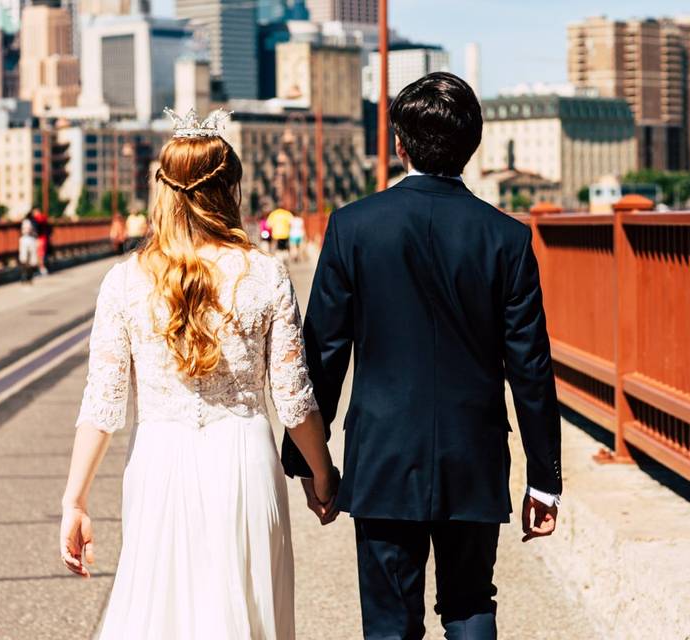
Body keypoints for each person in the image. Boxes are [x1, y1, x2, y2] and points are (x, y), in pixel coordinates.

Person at [281, 72, 563, 639]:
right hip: (474, 456)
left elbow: (323, 353)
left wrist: (310, 464)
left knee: (389, 620)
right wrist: (544, 477)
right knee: (470, 603)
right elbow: (529, 366)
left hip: (383, 453)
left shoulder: (353, 227)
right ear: (472, 144)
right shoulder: (506, 238)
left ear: (398, 143)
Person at [60, 116, 337, 639]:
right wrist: (322, 473)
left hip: (160, 464)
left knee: (163, 616)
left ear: (162, 190)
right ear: (230, 190)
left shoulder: (125, 280)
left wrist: (75, 500)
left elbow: (102, 404)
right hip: (244, 462)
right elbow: (294, 400)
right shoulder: (265, 273)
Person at [19, 209, 40, 284]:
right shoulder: (31, 222)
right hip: (28, 239)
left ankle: (27, 276)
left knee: (28, 260)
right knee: (26, 259)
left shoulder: (28, 221)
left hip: (28, 239)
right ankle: (26, 276)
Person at [32, 208, 52, 275]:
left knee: (39, 255)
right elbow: (49, 229)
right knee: (42, 254)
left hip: (39, 238)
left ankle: (41, 268)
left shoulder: (37, 220)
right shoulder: (44, 218)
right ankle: (43, 268)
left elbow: (36, 230)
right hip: (45, 238)